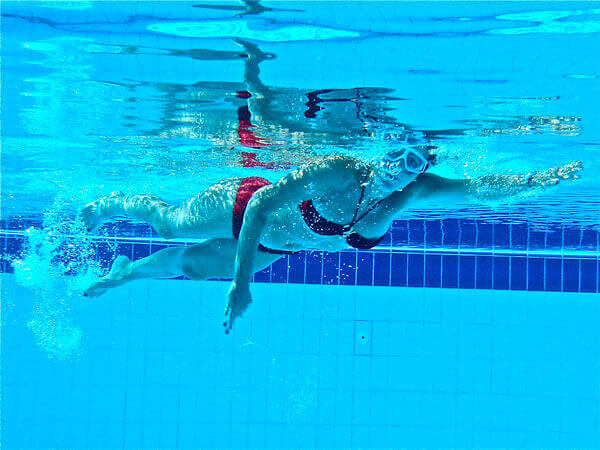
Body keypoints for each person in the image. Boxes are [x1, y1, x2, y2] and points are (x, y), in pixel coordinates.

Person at [80, 147, 583, 332]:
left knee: (187, 268)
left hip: (279, 247)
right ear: (384, 150)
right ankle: (116, 203)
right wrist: (240, 283)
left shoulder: (412, 190)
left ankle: (123, 275)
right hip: (246, 206)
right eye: (395, 159)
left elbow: (481, 190)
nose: (397, 173)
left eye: (414, 166)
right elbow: (261, 205)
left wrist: (541, 180)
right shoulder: (339, 169)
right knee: (170, 226)